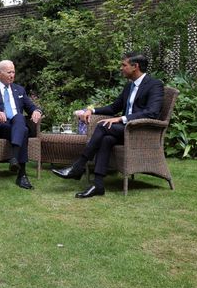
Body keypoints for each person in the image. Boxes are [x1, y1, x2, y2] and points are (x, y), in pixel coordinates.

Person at [53, 52, 164, 197]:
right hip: (126, 131)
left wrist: (121, 119)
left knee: (102, 125)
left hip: (142, 132)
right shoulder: (129, 86)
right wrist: (91, 110)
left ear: (135, 66)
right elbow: (113, 108)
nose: (121, 68)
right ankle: (98, 185)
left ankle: (78, 166)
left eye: (124, 65)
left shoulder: (154, 85)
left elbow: (152, 112)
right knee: (106, 139)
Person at [0, 59, 43, 189]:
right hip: (2, 127)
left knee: (19, 118)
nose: (12, 75)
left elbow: (32, 107)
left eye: (13, 72)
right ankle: (21, 174)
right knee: (22, 130)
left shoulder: (19, 90)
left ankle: (14, 158)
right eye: (9, 72)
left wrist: (37, 111)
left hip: (17, 123)